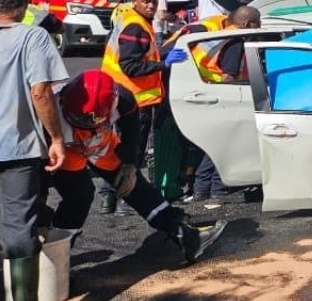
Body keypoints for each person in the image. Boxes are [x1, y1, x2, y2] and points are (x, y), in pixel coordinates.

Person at [43, 70, 226, 265]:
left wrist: (130, 163)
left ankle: (184, 235)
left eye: (93, 121)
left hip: (101, 147)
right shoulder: (48, 107)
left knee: (135, 185)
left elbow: (132, 131)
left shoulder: (123, 99)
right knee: (78, 197)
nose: (87, 126)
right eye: (81, 120)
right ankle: (55, 260)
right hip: (63, 150)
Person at [0, 0, 69, 301]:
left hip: (14, 148)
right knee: (18, 231)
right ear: (24, 7)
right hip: (16, 148)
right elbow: (40, 91)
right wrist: (56, 138)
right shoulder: (33, 37)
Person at [181, 6, 261, 204]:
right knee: (226, 146)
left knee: (214, 147)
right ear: (244, 23)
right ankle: (216, 189)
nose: (260, 26)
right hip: (221, 100)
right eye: (257, 22)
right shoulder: (234, 43)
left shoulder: (220, 36)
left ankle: (203, 189)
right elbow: (228, 76)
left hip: (202, 96)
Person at [98, 0, 166, 213]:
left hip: (114, 95)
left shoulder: (124, 16)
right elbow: (131, 66)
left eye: (154, 1)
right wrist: (163, 65)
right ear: (135, 1)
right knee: (131, 152)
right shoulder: (135, 27)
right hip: (134, 100)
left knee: (112, 149)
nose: (151, 5)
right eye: (146, 1)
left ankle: (108, 197)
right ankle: (125, 200)